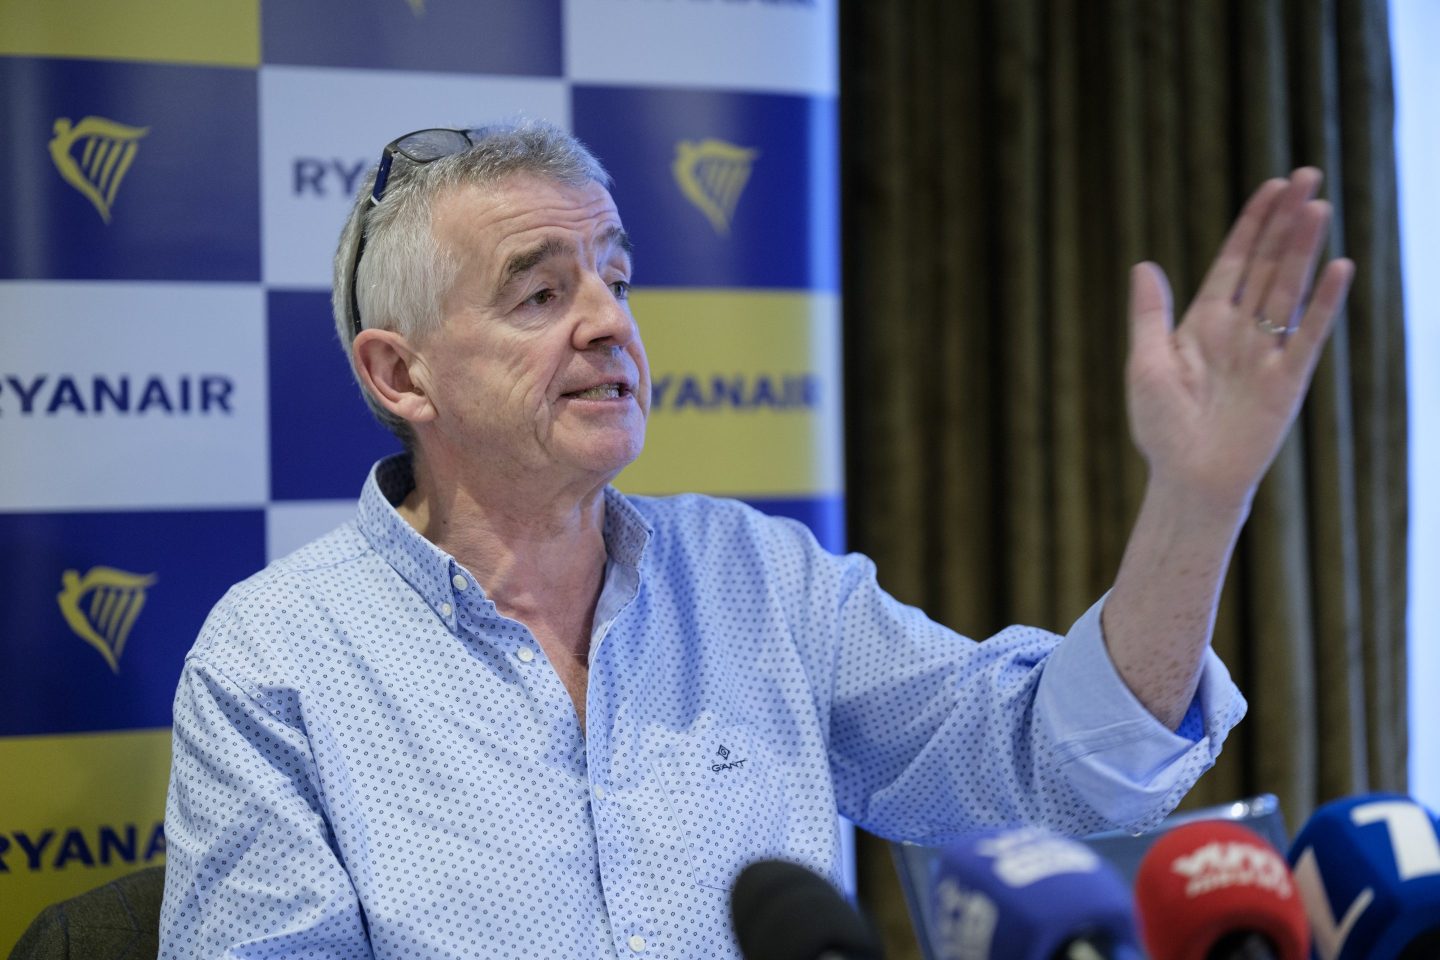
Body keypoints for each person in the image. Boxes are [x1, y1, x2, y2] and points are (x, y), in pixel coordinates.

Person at [158, 121, 1352, 959]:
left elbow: (1055, 763)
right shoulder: (276, 660)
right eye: (540, 292)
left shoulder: (760, 582)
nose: (610, 323)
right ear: (400, 375)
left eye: (617, 279)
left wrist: (1198, 497)